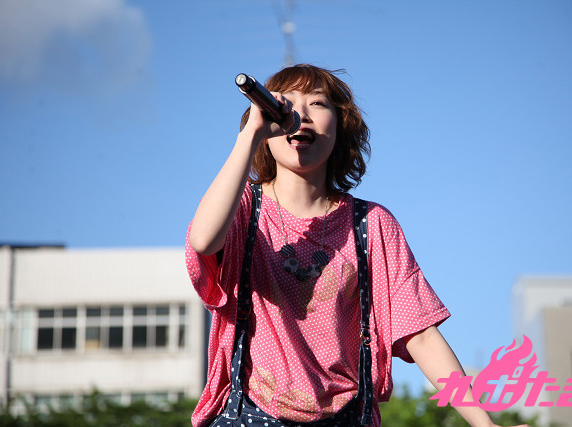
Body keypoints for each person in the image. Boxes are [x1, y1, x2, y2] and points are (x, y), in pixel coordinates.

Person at [185, 64, 528, 427]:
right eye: (288, 103)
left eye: (317, 103)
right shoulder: (244, 209)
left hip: (346, 416)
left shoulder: (371, 224)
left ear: (340, 126)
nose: (301, 114)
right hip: (252, 413)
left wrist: (484, 424)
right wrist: (251, 134)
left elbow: (421, 335)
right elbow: (204, 240)